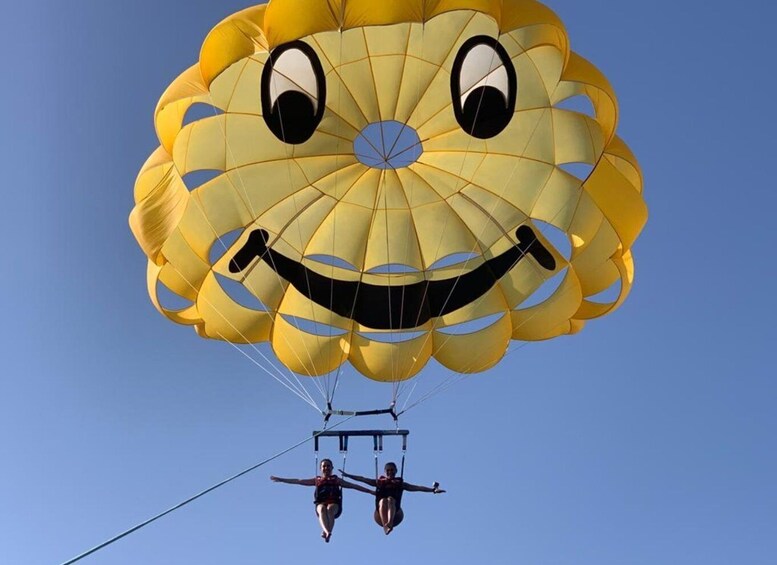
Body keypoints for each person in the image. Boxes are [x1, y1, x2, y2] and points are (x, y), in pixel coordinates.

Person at [271, 459, 375, 542]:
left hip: (334, 504)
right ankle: (327, 531)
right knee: (321, 509)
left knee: (329, 509)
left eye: (328, 466)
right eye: (324, 466)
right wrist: (281, 479)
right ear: (321, 468)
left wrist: (370, 491)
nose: (326, 468)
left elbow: (353, 486)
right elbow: (299, 481)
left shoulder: (336, 480)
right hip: (320, 503)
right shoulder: (317, 480)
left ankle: (327, 531)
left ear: (332, 468)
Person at [340, 461, 445, 535]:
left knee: (390, 499)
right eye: (388, 470)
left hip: (396, 513)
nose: (390, 472)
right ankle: (385, 525)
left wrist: (432, 490)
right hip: (380, 512)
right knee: (383, 500)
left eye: (392, 470)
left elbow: (416, 487)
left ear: (396, 471)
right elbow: (363, 479)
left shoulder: (400, 484)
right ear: (385, 472)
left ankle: (389, 523)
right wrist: (348, 475)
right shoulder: (379, 482)